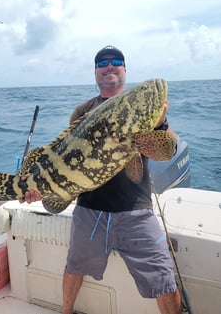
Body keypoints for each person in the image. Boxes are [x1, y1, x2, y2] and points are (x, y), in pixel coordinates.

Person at [20, 45, 182, 314]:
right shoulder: (82, 111)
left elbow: (169, 150)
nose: (109, 66)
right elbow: (60, 158)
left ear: (124, 69)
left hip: (136, 210)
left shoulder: (141, 109)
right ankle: (66, 311)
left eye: (116, 61)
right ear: (95, 72)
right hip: (89, 210)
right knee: (75, 267)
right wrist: (39, 189)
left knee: (163, 278)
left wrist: (162, 124)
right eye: (102, 63)